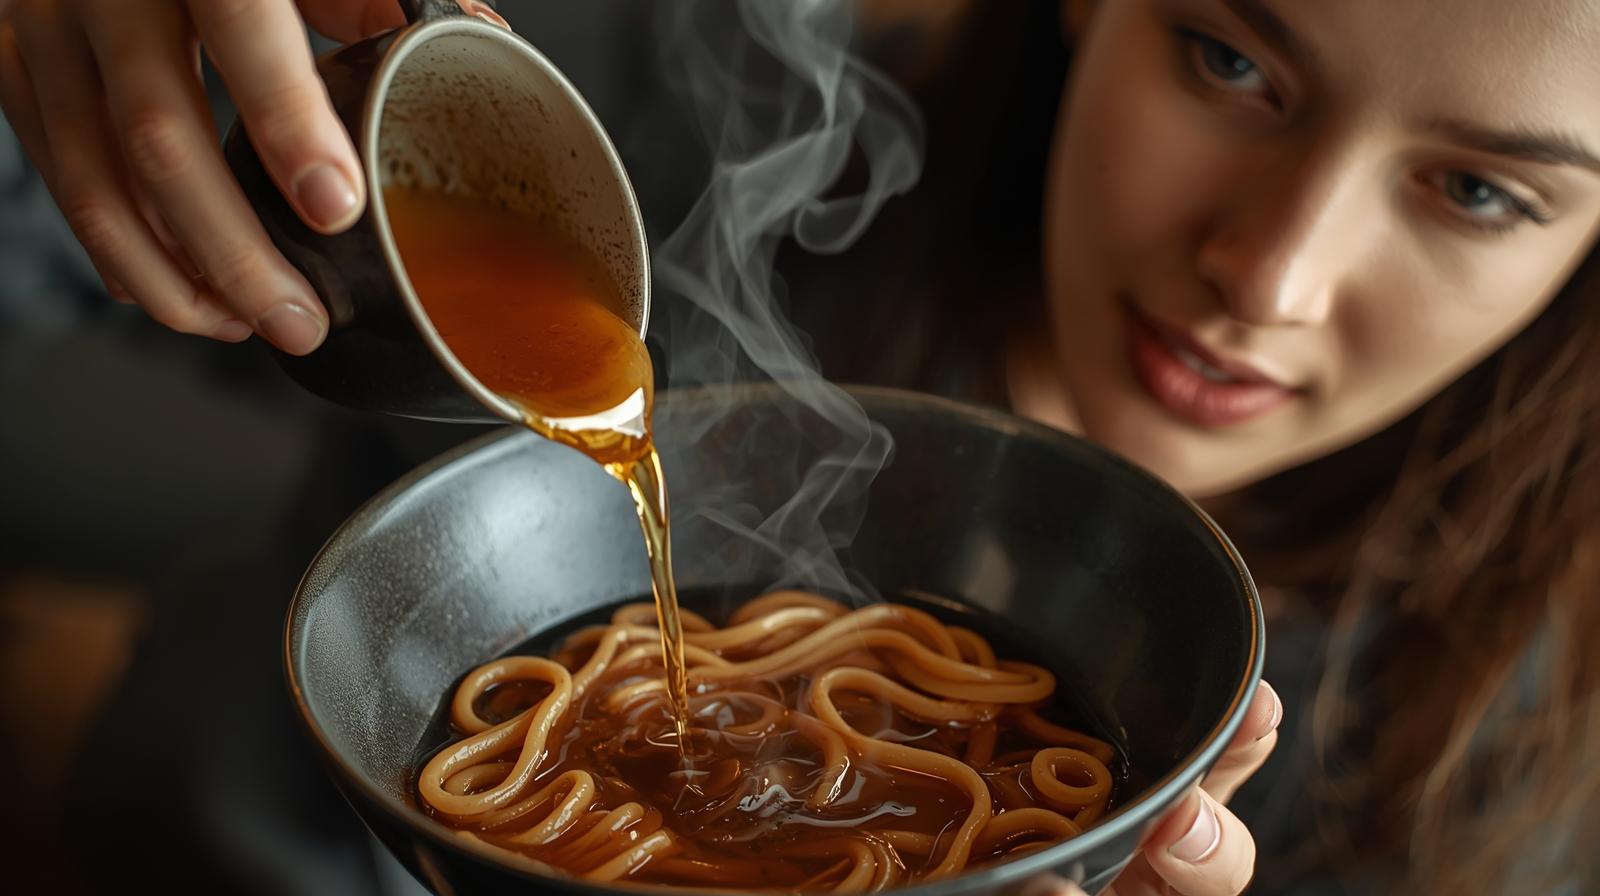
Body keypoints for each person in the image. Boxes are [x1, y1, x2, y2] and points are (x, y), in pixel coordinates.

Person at [1, 3, 1594, 896]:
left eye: (1481, 191)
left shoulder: (1506, 748)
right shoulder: (663, 118)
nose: (1271, 274)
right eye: (1229, 58)